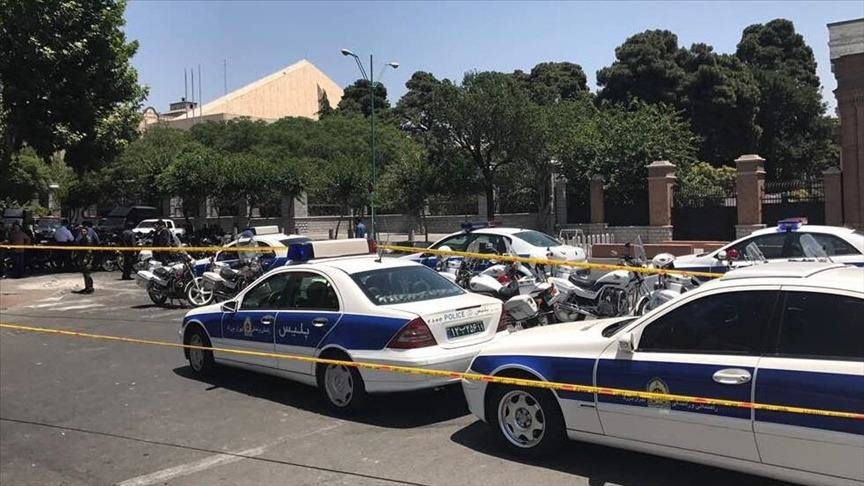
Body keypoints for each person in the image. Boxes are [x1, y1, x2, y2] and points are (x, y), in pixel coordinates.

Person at [72, 225, 94, 293]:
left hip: (87, 258)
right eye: (82, 231)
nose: (83, 232)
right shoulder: (82, 239)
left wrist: (86, 259)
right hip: (82, 257)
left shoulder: (88, 239)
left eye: (84, 231)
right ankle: (87, 287)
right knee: (85, 273)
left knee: (87, 273)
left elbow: (89, 250)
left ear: (87, 232)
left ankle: (90, 288)